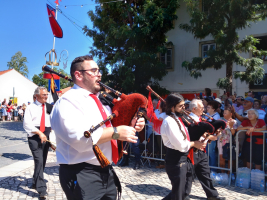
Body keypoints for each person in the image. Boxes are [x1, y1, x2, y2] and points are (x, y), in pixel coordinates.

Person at [50, 55, 145, 200]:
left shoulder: (100, 101)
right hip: (81, 173)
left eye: (99, 70)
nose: (99, 74)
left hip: (106, 170)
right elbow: (79, 139)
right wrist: (116, 132)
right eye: (94, 71)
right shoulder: (67, 102)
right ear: (78, 74)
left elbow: (110, 126)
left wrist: (131, 125)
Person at [161, 94, 206, 200]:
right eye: (181, 106)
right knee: (178, 194)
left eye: (184, 105)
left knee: (183, 192)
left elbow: (186, 136)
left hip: (184, 159)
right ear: (172, 107)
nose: (184, 108)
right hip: (175, 160)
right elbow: (180, 145)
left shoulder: (178, 118)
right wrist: (194, 144)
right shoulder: (169, 121)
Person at [188, 99, 225, 200]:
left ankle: (212, 195)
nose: (204, 109)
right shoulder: (189, 119)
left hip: (202, 150)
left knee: (205, 173)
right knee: (188, 175)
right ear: (194, 108)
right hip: (191, 150)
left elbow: (209, 136)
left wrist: (215, 134)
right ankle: (182, 195)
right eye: (202, 107)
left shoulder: (202, 120)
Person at [23, 87, 53, 198]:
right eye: (43, 94)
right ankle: (41, 189)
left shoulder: (49, 107)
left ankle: (35, 182)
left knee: (43, 161)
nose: (46, 96)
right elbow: (26, 124)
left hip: (46, 136)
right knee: (39, 160)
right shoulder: (30, 107)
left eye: (47, 94)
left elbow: (52, 121)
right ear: (36, 96)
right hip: (34, 136)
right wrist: (39, 133)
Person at [219, 106, 237, 172]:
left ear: (231, 114)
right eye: (223, 113)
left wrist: (231, 127)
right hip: (221, 142)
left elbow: (233, 133)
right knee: (221, 158)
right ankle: (222, 174)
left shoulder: (234, 122)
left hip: (230, 142)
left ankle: (229, 175)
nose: (224, 114)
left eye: (226, 113)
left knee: (230, 159)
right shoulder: (221, 121)